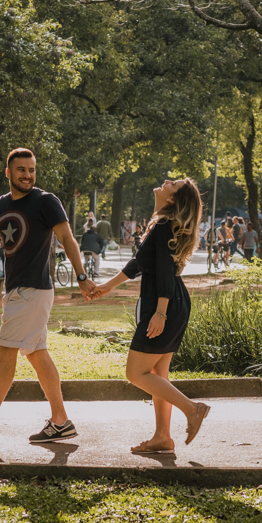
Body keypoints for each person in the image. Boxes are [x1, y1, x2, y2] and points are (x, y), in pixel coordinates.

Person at [0, 147, 96, 443]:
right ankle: (61, 421)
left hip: (33, 288)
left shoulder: (46, 202)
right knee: (37, 354)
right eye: (22, 170)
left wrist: (81, 277)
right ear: (8, 172)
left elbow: (67, 238)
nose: (27, 175)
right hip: (17, 289)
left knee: (5, 351)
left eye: (32, 170)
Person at [89, 179, 211, 452]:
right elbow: (138, 264)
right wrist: (107, 286)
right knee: (158, 372)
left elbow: (165, 271)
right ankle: (163, 437)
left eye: (173, 184)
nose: (166, 181)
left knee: (135, 373)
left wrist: (160, 313)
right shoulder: (162, 224)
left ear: (172, 199)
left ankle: (192, 409)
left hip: (164, 304)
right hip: (172, 302)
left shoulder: (165, 225)